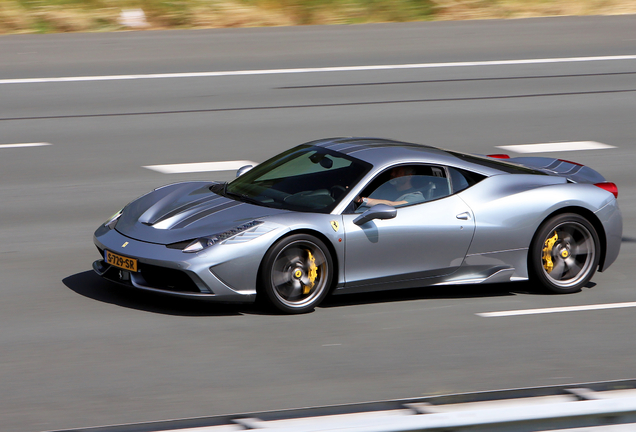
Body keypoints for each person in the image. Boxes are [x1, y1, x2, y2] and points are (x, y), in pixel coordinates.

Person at [355, 166, 424, 208]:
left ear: (408, 176)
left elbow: (392, 205)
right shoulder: (386, 191)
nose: (392, 174)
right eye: (392, 171)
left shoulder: (416, 196)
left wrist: (361, 200)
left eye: (397, 172)